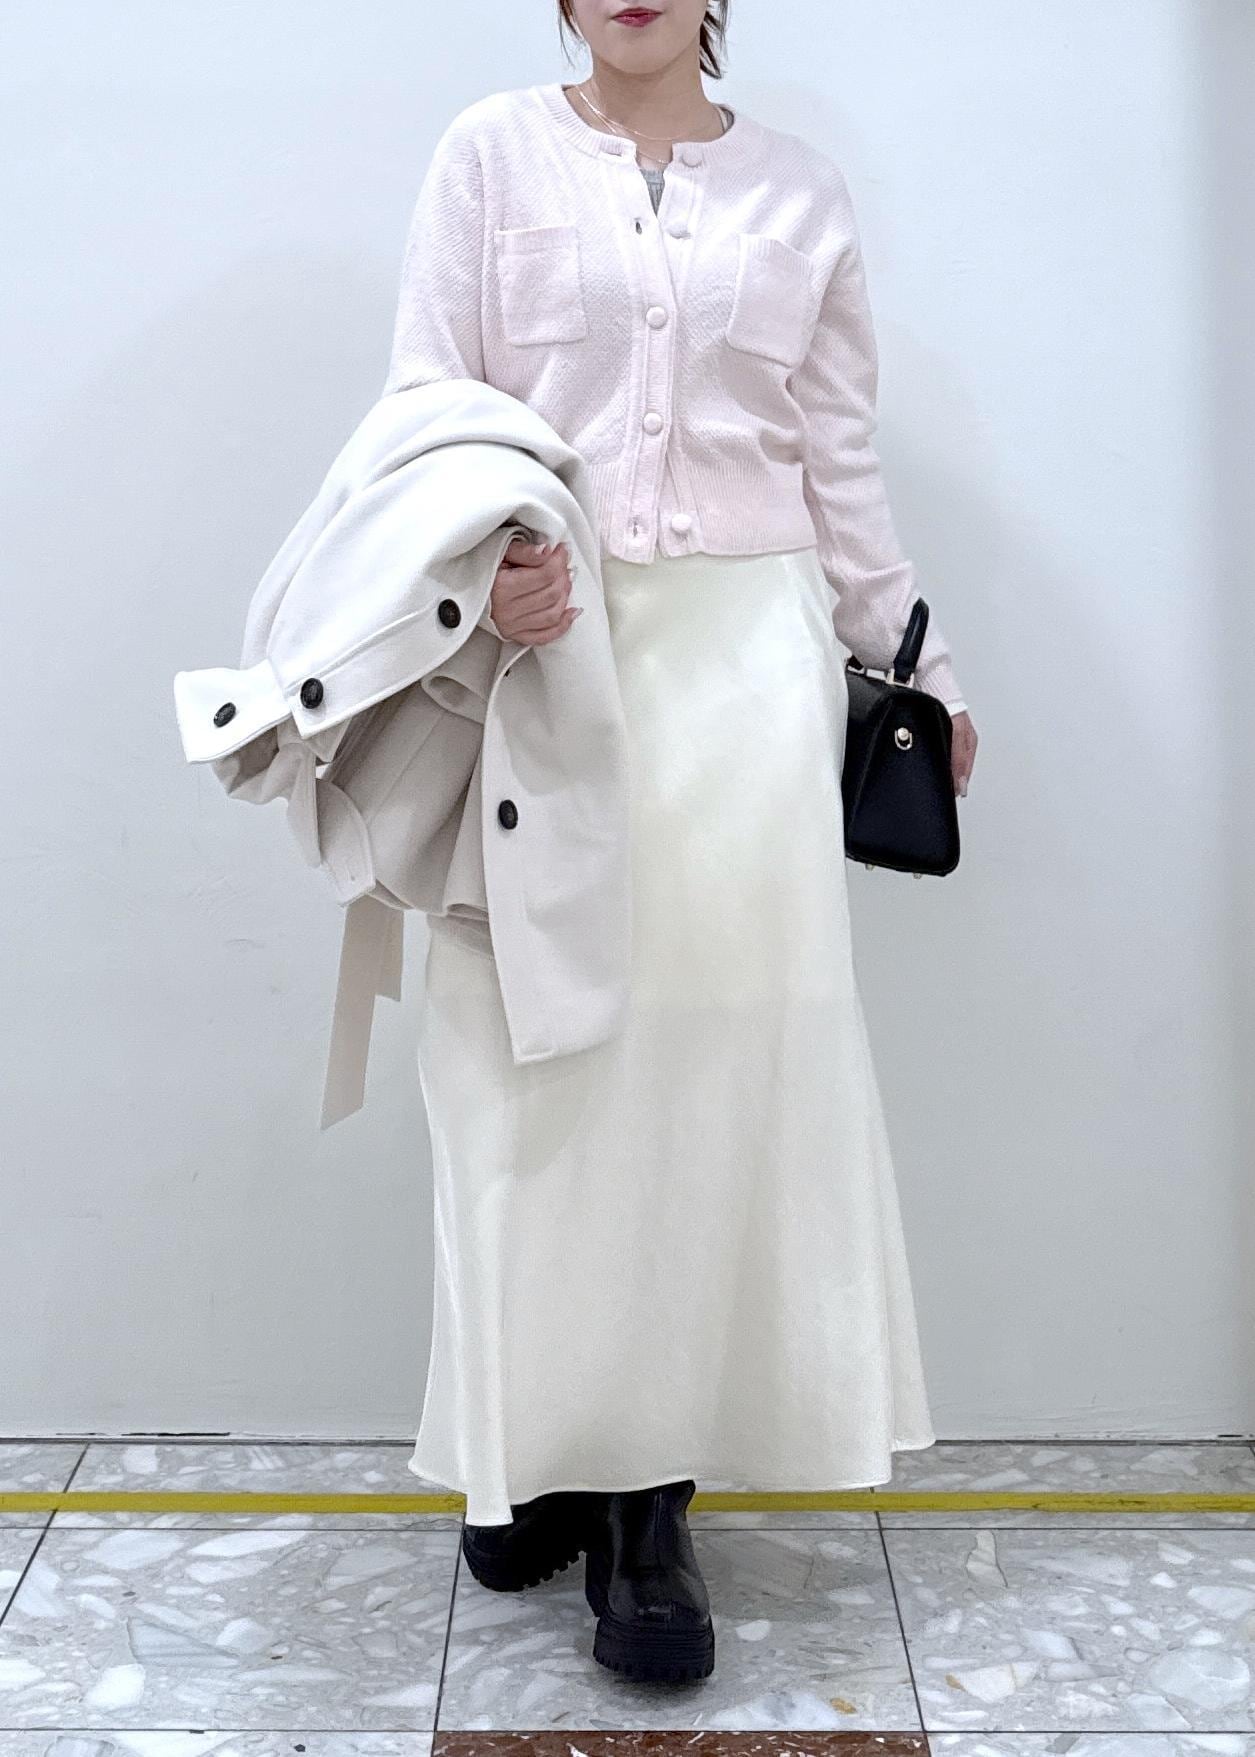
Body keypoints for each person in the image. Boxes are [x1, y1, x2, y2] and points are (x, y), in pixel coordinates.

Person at [382, 0, 979, 1685]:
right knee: (529, 1070)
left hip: (742, 678)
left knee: (705, 1079)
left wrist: (917, 660)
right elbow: (425, 412)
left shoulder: (801, 191)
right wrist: (487, 558)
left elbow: (838, 462)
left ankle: (649, 1512)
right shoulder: (488, 156)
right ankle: (548, 1445)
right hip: (546, 664)